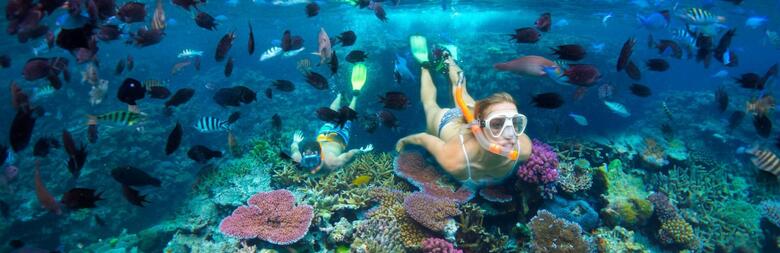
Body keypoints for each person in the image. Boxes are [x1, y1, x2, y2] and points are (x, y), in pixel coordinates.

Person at [395, 56, 533, 188]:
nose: (510, 134)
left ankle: (449, 59)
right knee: (429, 105)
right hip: (447, 121)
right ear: (479, 128)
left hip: (473, 112)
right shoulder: (456, 159)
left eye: (515, 122)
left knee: (461, 89)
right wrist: (403, 141)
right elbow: (423, 139)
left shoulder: (524, 148)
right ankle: (424, 65)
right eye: (497, 124)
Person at [290, 93, 373, 173]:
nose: (312, 167)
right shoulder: (299, 161)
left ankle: (342, 95)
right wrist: (362, 151)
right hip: (338, 136)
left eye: (313, 160)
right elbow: (350, 153)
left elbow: (351, 153)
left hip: (332, 135)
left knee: (332, 115)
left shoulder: (332, 163)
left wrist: (295, 142)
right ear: (303, 156)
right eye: (307, 161)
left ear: (320, 156)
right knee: (347, 118)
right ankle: (353, 96)